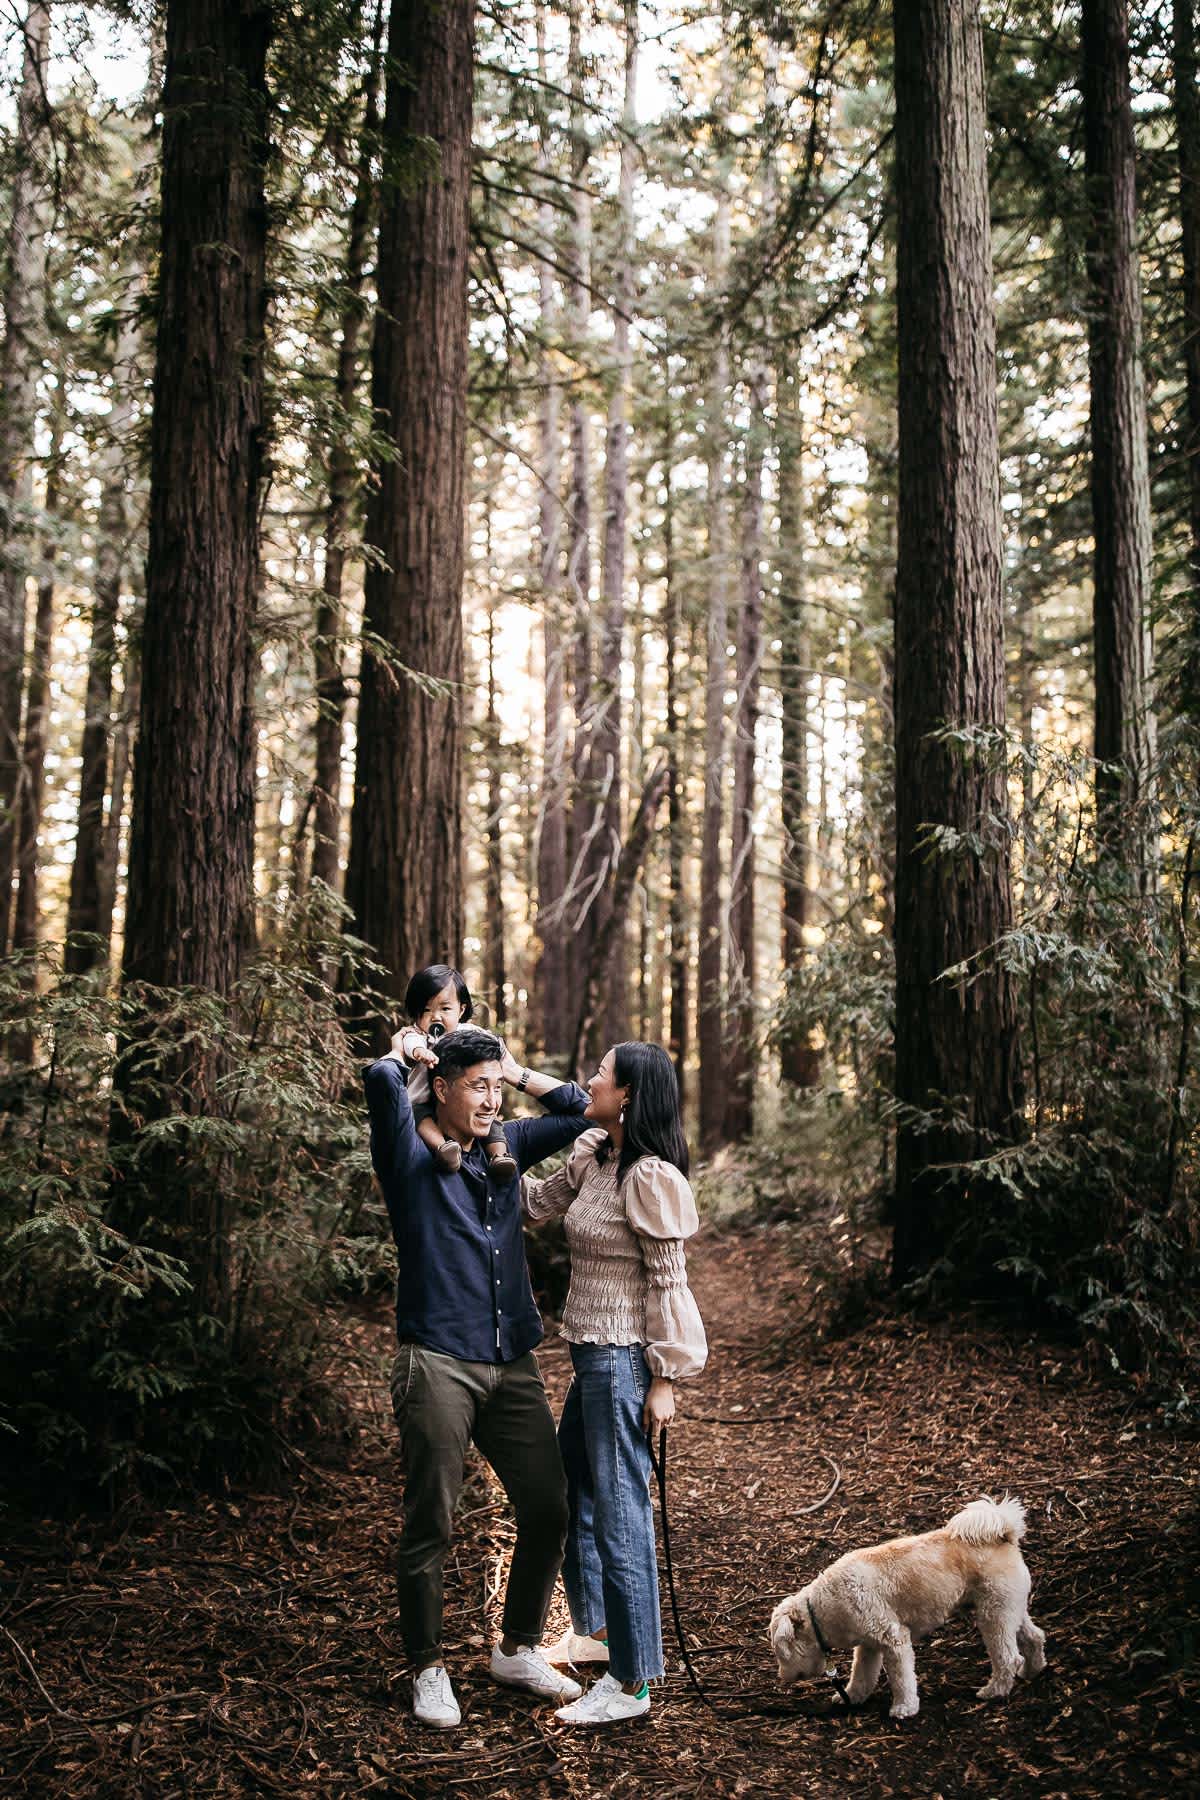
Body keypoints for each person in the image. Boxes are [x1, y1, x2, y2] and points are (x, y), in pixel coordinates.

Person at [364, 1023, 593, 1729]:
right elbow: (378, 1084)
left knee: (549, 1505)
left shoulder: (510, 1146)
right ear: (440, 1087)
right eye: (477, 1085)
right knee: (431, 1518)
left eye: (497, 1086)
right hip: (437, 1359)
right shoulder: (408, 1153)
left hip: (512, 1362)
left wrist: (515, 1071)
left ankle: (517, 1647)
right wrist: (407, 1055)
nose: (491, 1099)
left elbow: (580, 1108)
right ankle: (427, 1667)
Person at [522, 1041, 708, 1727]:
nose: (590, 1081)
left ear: (627, 1095)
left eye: (601, 1075)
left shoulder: (649, 1177)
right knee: (575, 1488)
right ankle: (598, 1637)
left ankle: (632, 1682)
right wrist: (475, 1156)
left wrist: (665, 1377)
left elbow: (669, 1282)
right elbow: (535, 1203)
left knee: (623, 1514)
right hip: (590, 1356)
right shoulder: (595, 1155)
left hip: (625, 1362)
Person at [397, 963, 516, 1180]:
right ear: (416, 1013)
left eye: (445, 1008)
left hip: (457, 1102)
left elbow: (491, 1041)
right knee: (419, 1117)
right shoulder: (419, 1035)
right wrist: (420, 1052)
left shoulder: (466, 1032)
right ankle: (444, 1149)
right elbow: (409, 1043)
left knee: (492, 1121)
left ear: (461, 1010)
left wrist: (506, 1059)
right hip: (423, 1101)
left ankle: (499, 1157)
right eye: (426, 1010)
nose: (435, 1017)